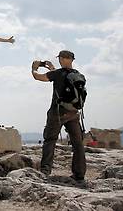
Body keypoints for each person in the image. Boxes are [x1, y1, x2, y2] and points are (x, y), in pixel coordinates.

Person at [31, 50, 86, 181]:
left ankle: (45, 171)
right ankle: (79, 174)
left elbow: (38, 77)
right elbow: (62, 77)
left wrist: (34, 68)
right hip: (73, 113)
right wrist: (52, 68)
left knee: (50, 141)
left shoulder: (57, 74)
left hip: (57, 112)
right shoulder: (79, 75)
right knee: (78, 144)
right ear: (72, 60)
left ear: (61, 59)